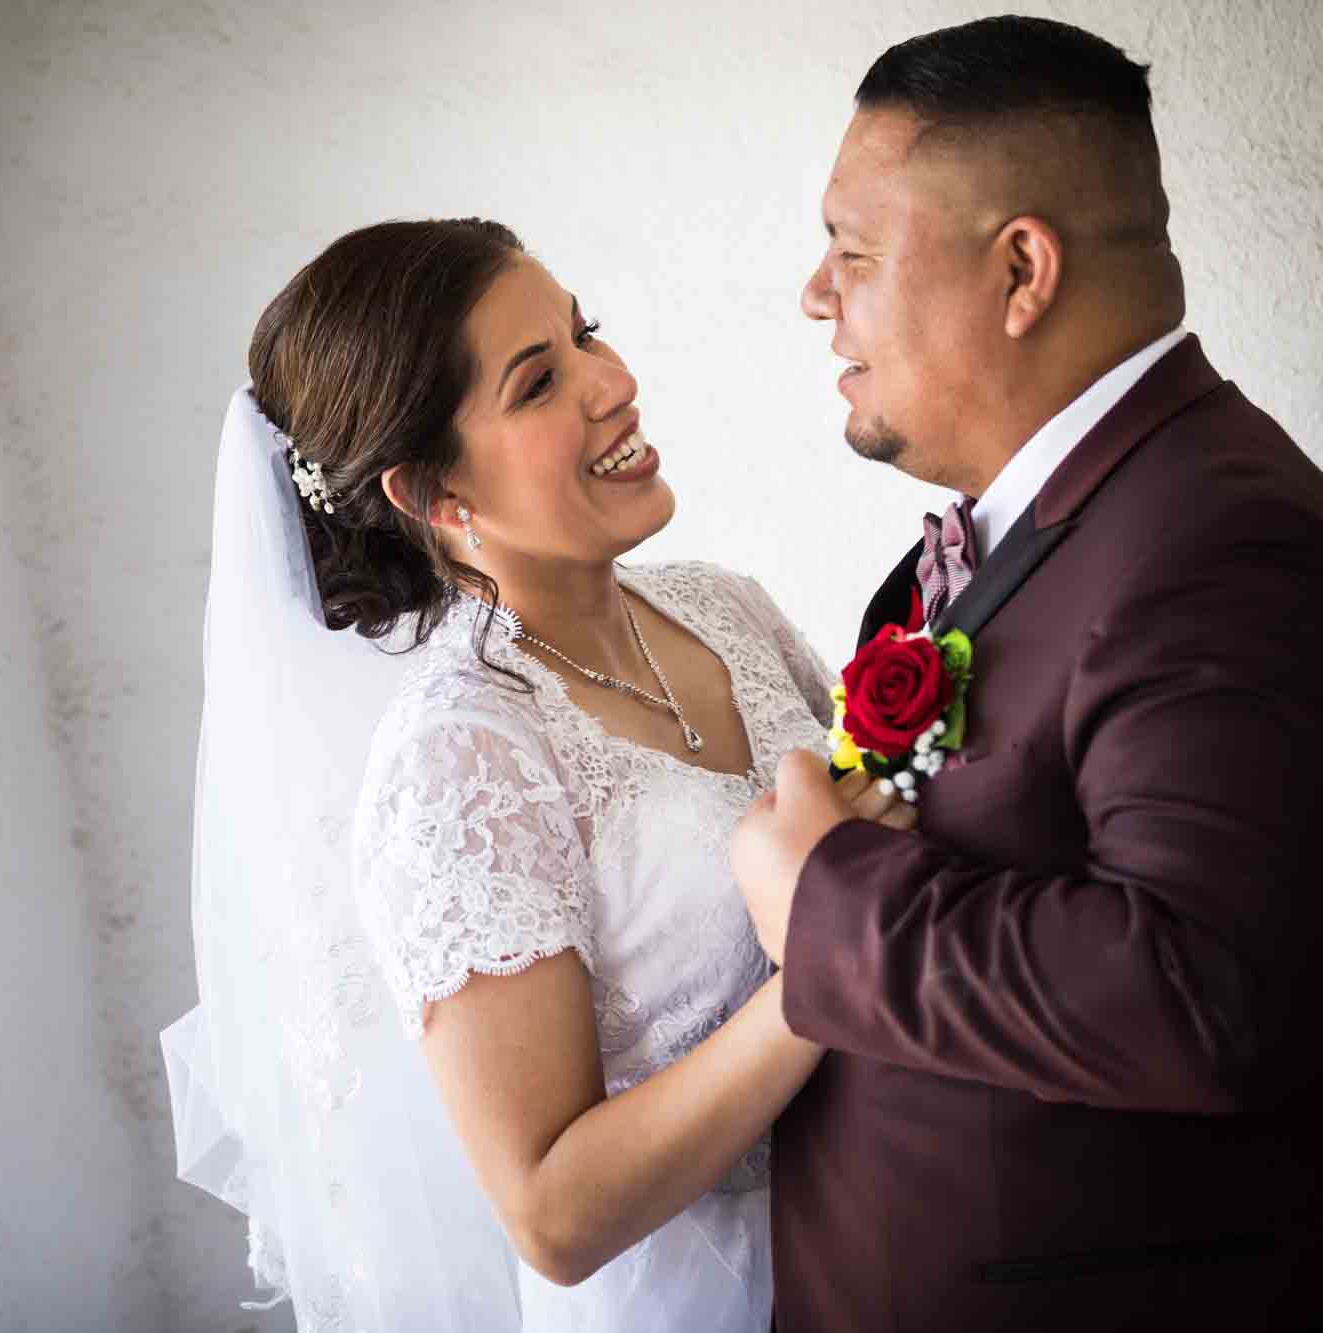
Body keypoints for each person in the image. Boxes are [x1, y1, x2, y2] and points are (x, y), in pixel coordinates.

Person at [731, 16, 1323, 1331]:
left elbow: (1202, 992)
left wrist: (823, 897)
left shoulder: (1235, 552)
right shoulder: (1066, 519)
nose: (815, 296)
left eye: (853, 251)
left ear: (1022, 270)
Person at [162, 218, 905, 1330]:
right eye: (538, 381)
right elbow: (552, 1215)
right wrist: (821, 964)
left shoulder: (723, 606)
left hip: (881, 1230)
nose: (613, 384)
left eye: (586, 334)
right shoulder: (460, 757)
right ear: (434, 494)